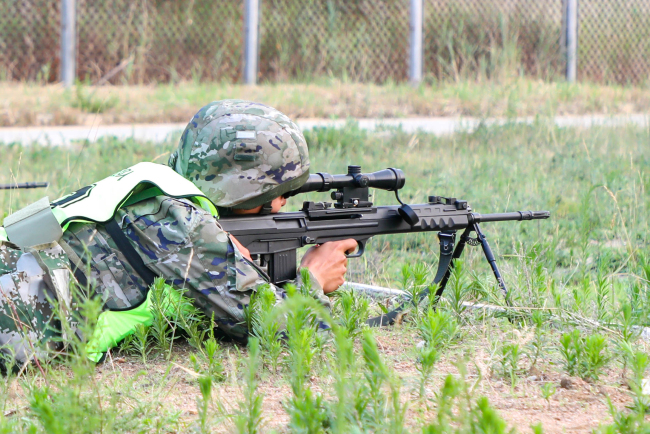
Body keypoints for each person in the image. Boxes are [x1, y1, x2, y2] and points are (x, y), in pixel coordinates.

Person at [0, 100, 355, 367]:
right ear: (236, 189)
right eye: (273, 193)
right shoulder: (187, 226)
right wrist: (313, 278)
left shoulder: (152, 186)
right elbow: (284, 329)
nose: (280, 203)